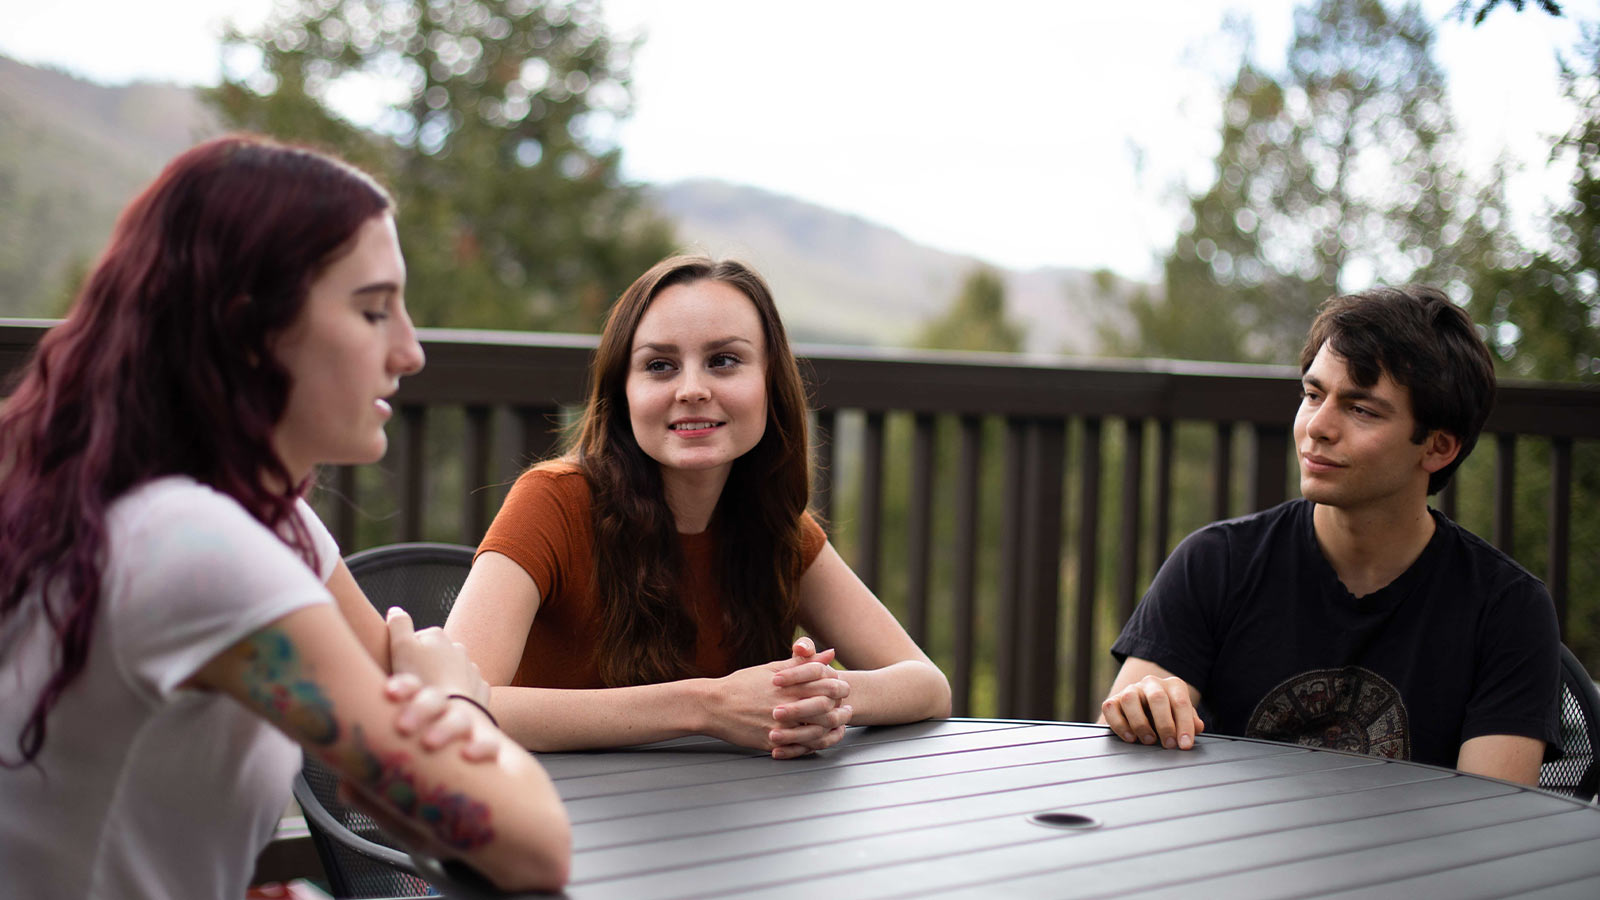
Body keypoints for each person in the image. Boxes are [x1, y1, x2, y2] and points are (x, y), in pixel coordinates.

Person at [0, 134, 569, 897]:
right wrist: (455, 696)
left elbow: (391, 703)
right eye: (374, 311)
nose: (410, 352)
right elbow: (529, 845)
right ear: (251, 329)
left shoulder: (259, 519)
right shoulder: (193, 545)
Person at [445, 255, 951, 758]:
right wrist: (708, 706)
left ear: (770, 383)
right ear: (624, 391)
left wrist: (817, 696)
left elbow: (928, 686)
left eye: (724, 361)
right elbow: (454, 705)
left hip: (722, 826)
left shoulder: (778, 529)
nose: (692, 390)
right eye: (659, 366)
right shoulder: (553, 501)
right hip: (545, 823)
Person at [1101, 285, 1560, 784]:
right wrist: (1142, 708)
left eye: (1361, 409)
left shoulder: (1506, 609)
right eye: (1313, 395)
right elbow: (1124, 767)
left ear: (1438, 447)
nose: (1317, 426)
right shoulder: (1216, 563)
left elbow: (1493, 823)